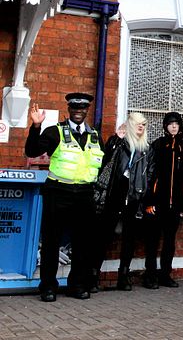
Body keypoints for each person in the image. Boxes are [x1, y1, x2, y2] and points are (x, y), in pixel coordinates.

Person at [25, 93, 104, 302]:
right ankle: (48, 287)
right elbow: (31, 151)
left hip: (85, 194)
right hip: (58, 192)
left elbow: (99, 165)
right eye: (74, 109)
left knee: (81, 243)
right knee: (52, 242)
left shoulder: (95, 135)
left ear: (87, 111)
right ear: (69, 110)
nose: (78, 112)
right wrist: (35, 127)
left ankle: (76, 285)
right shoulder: (55, 132)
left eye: (82, 109)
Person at [92, 112, 153, 291]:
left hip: (135, 197)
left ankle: (123, 275)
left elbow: (149, 173)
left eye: (144, 124)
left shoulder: (147, 149)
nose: (141, 127)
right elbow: (104, 161)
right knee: (104, 235)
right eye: (138, 124)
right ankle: (94, 274)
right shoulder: (119, 143)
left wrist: (143, 196)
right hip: (114, 195)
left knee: (129, 238)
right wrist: (115, 140)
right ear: (130, 125)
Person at [142, 112, 183, 289]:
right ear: (165, 126)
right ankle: (150, 276)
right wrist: (148, 202)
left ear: (180, 127)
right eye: (170, 123)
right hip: (157, 203)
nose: (173, 126)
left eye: (176, 124)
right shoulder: (157, 145)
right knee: (152, 241)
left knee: (169, 242)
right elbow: (149, 175)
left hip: (175, 205)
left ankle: (165, 275)